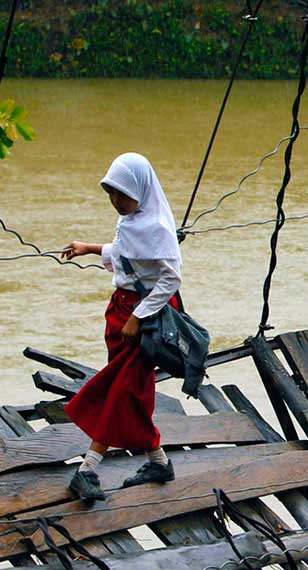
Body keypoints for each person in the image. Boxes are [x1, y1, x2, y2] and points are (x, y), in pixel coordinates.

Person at [61, 153, 182, 502]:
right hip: (122, 314)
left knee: (121, 389)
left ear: (141, 192)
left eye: (122, 195)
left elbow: (170, 278)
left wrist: (138, 317)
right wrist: (90, 248)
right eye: (111, 194)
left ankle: (87, 470)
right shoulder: (133, 223)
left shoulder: (157, 227)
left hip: (144, 320)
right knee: (133, 391)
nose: (116, 201)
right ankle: (158, 461)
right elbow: (129, 254)